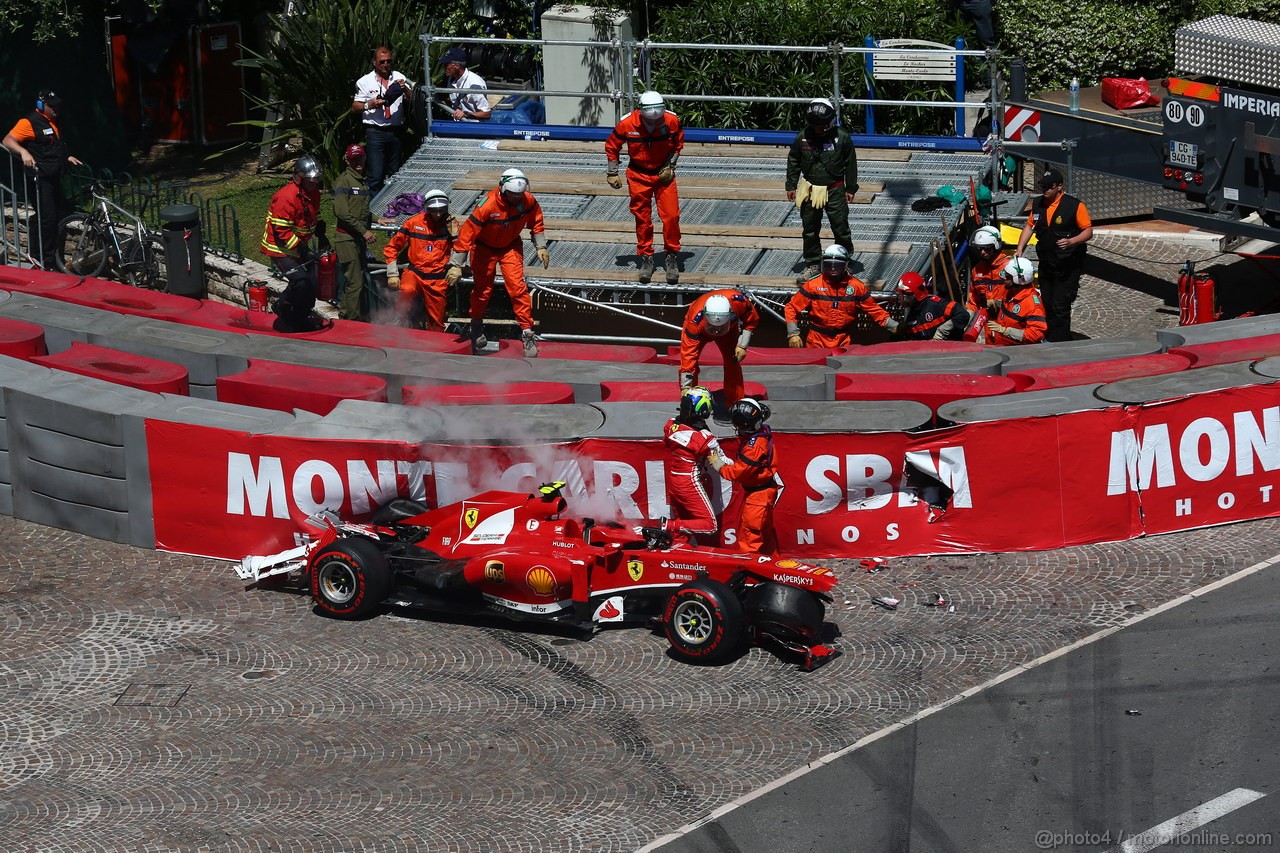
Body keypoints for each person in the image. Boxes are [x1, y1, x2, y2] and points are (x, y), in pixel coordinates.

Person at [452, 168, 548, 357]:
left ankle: (527, 333)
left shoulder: (527, 200)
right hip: (483, 249)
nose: (516, 198)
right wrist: (456, 264)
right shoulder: (487, 205)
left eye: (519, 194)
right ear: (503, 189)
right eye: (513, 195)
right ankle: (477, 325)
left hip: (509, 247)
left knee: (517, 288)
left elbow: (536, 221)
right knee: (483, 290)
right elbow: (468, 232)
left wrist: (541, 246)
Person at [605, 90, 684, 284]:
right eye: (650, 122)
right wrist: (612, 171)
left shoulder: (671, 121)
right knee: (642, 218)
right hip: (638, 174)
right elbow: (612, 145)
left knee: (671, 216)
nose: (654, 124)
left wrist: (670, 165)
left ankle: (671, 255)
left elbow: (677, 144)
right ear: (641, 113)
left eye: (657, 122)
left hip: (662, 175)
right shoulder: (627, 124)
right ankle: (646, 256)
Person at [3, 90, 82, 268]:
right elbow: (8, 140)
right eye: (51, 105)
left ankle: (53, 257)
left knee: (62, 214)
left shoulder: (53, 121)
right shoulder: (28, 122)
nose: (56, 108)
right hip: (39, 179)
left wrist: (66, 158)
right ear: (41, 105)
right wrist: (24, 152)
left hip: (53, 176)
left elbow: (51, 146)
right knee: (48, 219)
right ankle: (47, 262)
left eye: (57, 105)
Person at [1015, 168, 1092, 342]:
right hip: (1047, 262)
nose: (1045, 190)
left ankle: (1062, 341)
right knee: (1047, 303)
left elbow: (1088, 231)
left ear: (1059, 187)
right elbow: (1029, 227)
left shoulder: (1074, 206)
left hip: (1068, 265)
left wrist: (1072, 241)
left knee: (1060, 305)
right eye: (1043, 186)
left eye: (1049, 187)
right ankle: (1047, 336)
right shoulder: (1038, 204)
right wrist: (1020, 248)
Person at [785, 98, 858, 279]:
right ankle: (813, 263)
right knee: (810, 229)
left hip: (835, 189)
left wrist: (851, 188)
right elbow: (793, 160)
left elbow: (850, 163)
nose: (818, 130)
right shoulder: (802, 137)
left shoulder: (842, 137)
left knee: (840, 226)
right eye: (815, 126)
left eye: (822, 126)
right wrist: (791, 185)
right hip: (809, 188)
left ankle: (844, 261)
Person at [260, 154, 327, 333]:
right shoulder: (286, 197)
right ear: (299, 178)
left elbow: (314, 215)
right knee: (300, 282)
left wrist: (321, 232)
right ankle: (282, 306)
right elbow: (282, 232)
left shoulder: (312, 193)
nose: (314, 183)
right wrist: (303, 249)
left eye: (316, 179)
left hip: (297, 246)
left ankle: (301, 316)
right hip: (280, 249)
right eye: (310, 180)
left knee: (312, 282)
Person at [785, 245, 899, 348]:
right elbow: (791, 307)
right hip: (816, 341)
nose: (833, 269)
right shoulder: (813, 285)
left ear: (845, 266)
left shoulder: (856, 287)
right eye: (829, 265)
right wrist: (793, 333)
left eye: (837, 265)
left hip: (843, 341)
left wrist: (893, 326)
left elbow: (874, 310)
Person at [384, 189, 461, 330]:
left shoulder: (451, 224)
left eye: (442, 209)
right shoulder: (413, 223)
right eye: (434, 210)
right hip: (415, 272)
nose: (438, 213)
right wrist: (392, 273)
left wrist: (457, 266)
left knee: (437, 319)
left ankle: (434, 342)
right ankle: (399, 321)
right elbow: (392, 247)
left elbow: (461, 247)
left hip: (437, 277)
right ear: (426, 208)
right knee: (406, 291)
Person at [662, 386, 727, 543]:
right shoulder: (705, 439)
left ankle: (676, 556)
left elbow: (667, 442)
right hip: (689, 482)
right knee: (709, 525)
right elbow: (722, 463)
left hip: (673, 480)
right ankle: (669, 525)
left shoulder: (670, 425)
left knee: (682, 532)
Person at [717, 397, 781, 556]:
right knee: (766, 537)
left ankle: (747, 576)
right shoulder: (761, 432)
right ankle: (775, 569)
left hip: (758, 497)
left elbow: (737, 473)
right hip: (762, 492)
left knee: (749, 539)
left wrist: (718, 465)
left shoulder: (753, 447)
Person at [679, 289, 760, 407]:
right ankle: (690, 402)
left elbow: (752, 320)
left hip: (728, 331)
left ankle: (734, 403)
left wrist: (743, 345)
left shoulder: (740, 302)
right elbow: (688, 356)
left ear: (730, 313)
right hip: (701, 332)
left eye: (720, 327)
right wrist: (685, 386)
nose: (716, 332)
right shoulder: (694, 322)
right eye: (713, 326)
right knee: (691, 366)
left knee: (733, 362)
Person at [352, 45, 414, 195]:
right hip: (375, 131)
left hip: (396, 130)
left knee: (395, 172)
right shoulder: (365, 81)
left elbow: (413, 99)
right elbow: (355, 107)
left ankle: (394, 204)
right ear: (374, 62)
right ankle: (373, 210)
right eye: (382, 62)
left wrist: (405, 89)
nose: (386, 65)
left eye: (388, 61)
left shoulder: (399, 76)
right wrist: (370, 104)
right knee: (376, 173)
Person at [331, 144, 375, 321]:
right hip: (346, 239)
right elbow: (342, 213)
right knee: (354, 283)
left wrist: (379, 219)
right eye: (354, 159)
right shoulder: (344, 181)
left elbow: (361, 211)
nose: (358, 162)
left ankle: (353, 318)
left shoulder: (361, 182)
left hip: (356, 239)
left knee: (357, 282)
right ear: (347, 160)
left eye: (361, 158)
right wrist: (364, 231)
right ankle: (351, 322)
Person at [985, 256, 1046, 346]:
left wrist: (1006, 331)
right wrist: (995, 303)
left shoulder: (1032, 305)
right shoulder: (1011, 291)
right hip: (1001, 345)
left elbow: (1036, 334)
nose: (1004, 277)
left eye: (1007, 276)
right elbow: (1010, 309)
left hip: (1017, 352)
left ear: (1018, 279)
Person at [896, 272, 969, 341]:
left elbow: (963, 314)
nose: (902, 297)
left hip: (953, 348)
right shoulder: (912, 316)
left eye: (905, 294)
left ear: (915, 294)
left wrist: (942, 332)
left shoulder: (936, 304)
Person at [965, 224, 1009, 318]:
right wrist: (966, 319)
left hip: (1007, 321)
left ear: (996, 246)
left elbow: (1021, 299)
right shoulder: (977, 270)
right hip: (986, 322)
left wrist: (997, 304)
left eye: (987, 249)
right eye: (979, 249)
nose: (982, 252)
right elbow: (973, 301)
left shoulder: (1010, 267)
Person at [439, 46, 491, 122]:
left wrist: (466, 114)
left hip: (472, 127)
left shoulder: (474, 84)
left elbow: (486, 113)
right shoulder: (451, 79)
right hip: (457, 124)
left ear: (456, 66)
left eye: (446, 65)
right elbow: (456, 103)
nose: (444, 68)